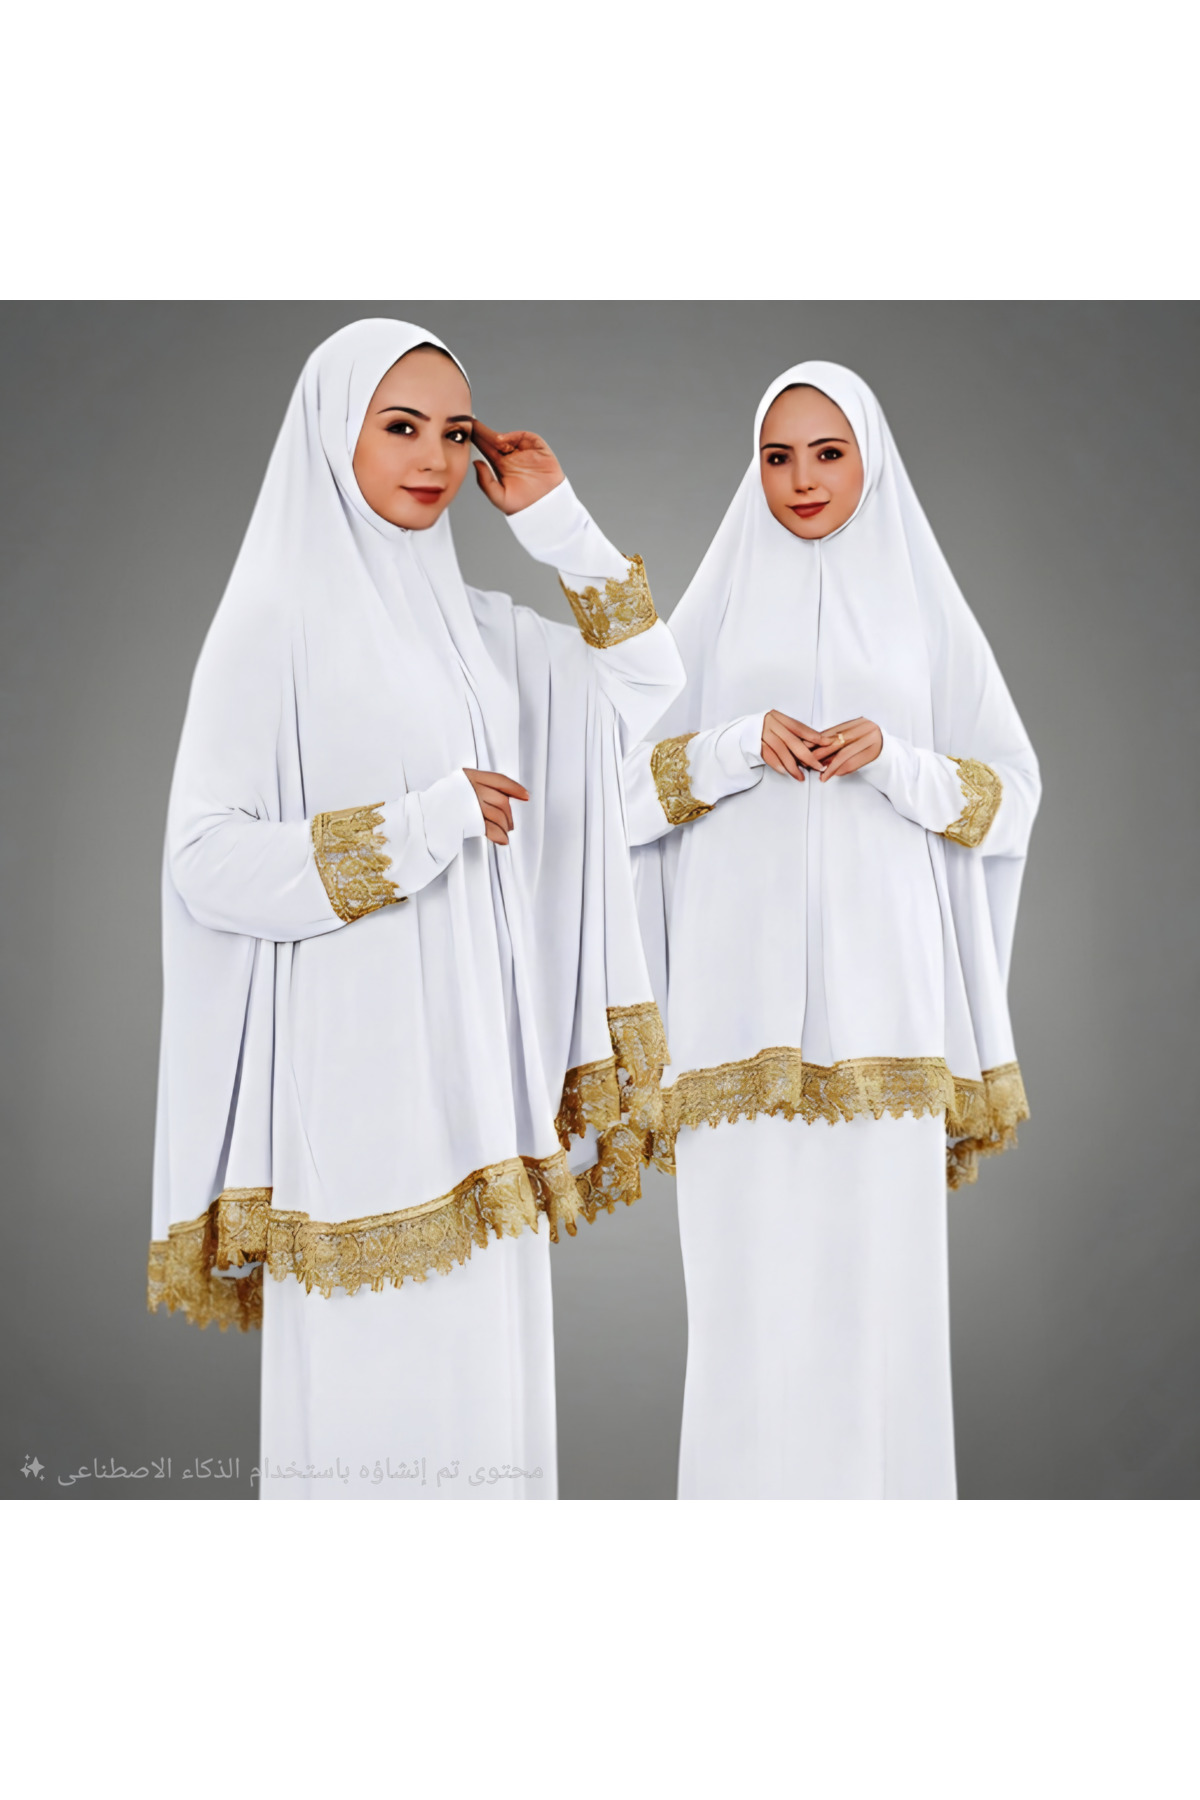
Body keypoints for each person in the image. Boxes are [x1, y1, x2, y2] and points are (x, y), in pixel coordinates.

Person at [147, 318, 683, 1500]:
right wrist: (418, 826)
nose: (434, 458)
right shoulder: (274, 621)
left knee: (485, 1418)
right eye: (400, 427)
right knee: (372, 1423)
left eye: (452, 431)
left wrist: (558, 523)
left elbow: (647, 683)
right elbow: (204, 859)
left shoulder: (481, 634)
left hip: (482, 1093)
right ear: (331, 435)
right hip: (355, 1097)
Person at [625, 364, 1040, 1499]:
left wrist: (895, 761)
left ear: (870, 459)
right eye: (777, 456)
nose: (801, 479)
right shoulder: (712, 614)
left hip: (885, 1014)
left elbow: (1011, 796)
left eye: (827, 452)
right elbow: (614, 794)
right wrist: (731, 746)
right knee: (743, 1312)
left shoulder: (920, 610)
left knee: (879, 1310)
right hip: (732, 1023)